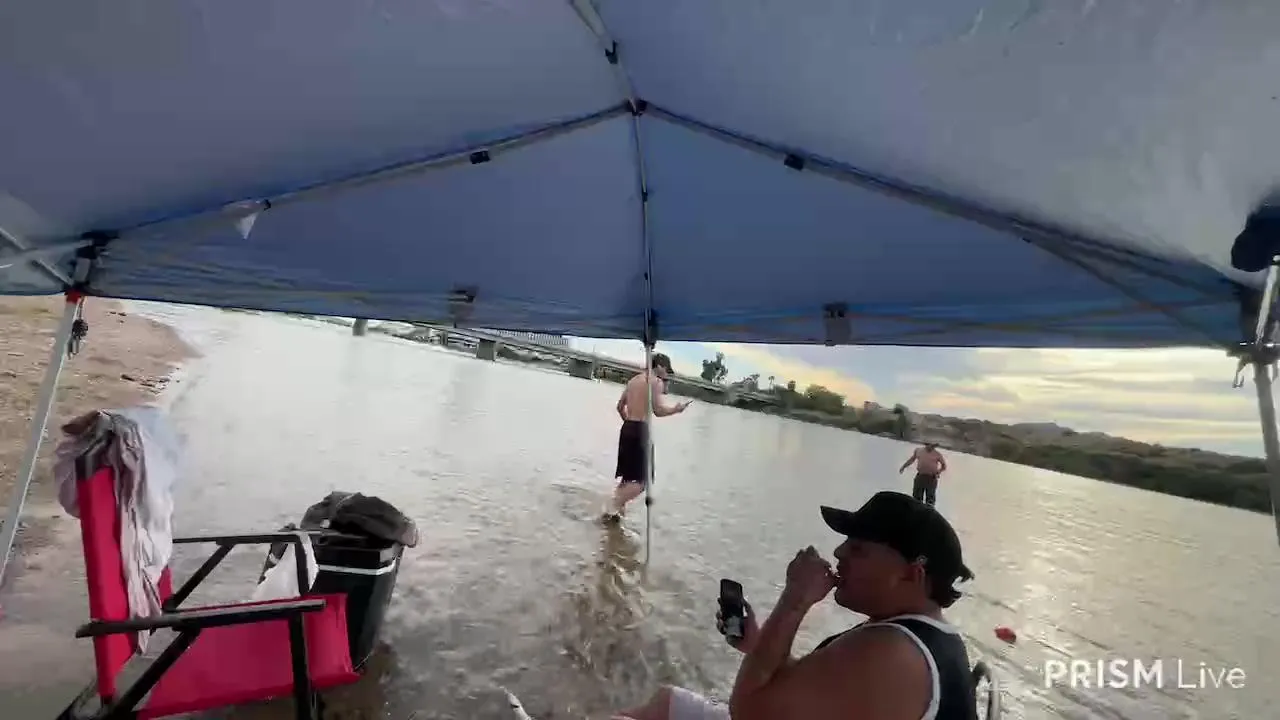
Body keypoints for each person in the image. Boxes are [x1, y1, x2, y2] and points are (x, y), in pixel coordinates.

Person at [611, 491, 978, 720]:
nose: (839, 552)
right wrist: (759, 644)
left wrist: (794, 601)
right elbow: (817, 687)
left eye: (858, 549)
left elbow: (749, 710)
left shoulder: (894, 651)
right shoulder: (920, 633)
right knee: (665, 703)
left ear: (911, 573)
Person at [605, 352, 690, 522]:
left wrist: (629, 423)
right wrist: (676, 409)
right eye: (666, 370)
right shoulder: (656, 382)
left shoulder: (633, 381)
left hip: (627, 428)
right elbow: (658, 410)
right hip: (640, 431)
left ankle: (616, 517)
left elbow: (620, 407)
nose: (666, 374)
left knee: (627, 477)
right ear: (659, 366)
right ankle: (612, 506)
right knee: (642, 482)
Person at [899, 442, 947, 506]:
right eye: (931, 445)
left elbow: (944, 466)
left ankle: (929, 508)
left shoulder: (937, 454)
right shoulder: (919, 450)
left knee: (930, 498)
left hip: (931, 477)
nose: (932, 447)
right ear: (926, 444)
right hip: (920, 476)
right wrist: (903, 466)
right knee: (917, 498)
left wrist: (938, 472)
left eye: (934, 446)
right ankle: (916, 508)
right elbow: (912, 459)